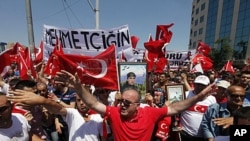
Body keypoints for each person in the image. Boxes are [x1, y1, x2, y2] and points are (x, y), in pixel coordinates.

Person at [16, 70, 213, 141]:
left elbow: (176, 108)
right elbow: (92, 101)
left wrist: (197, 97)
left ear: (138, 104)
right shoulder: (115, 112)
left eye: (128, 103)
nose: (123, 105)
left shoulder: (150, 113)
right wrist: (78, 87)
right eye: (122, 101)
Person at [8, 88, 110, 141]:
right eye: (79, 100)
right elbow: (58, 109)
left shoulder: (99, 118)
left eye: (84, 100)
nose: (82, 103)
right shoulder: (73, 113)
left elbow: (104, 138)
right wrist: (42, 100)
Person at [179, 75, 217, 141]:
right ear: (194, 84)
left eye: (202, 85)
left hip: (203, 136)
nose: (200, 87)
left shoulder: (212, 99)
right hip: (185, 134)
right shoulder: (185, 95)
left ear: (208, 86)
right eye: (198, 84)